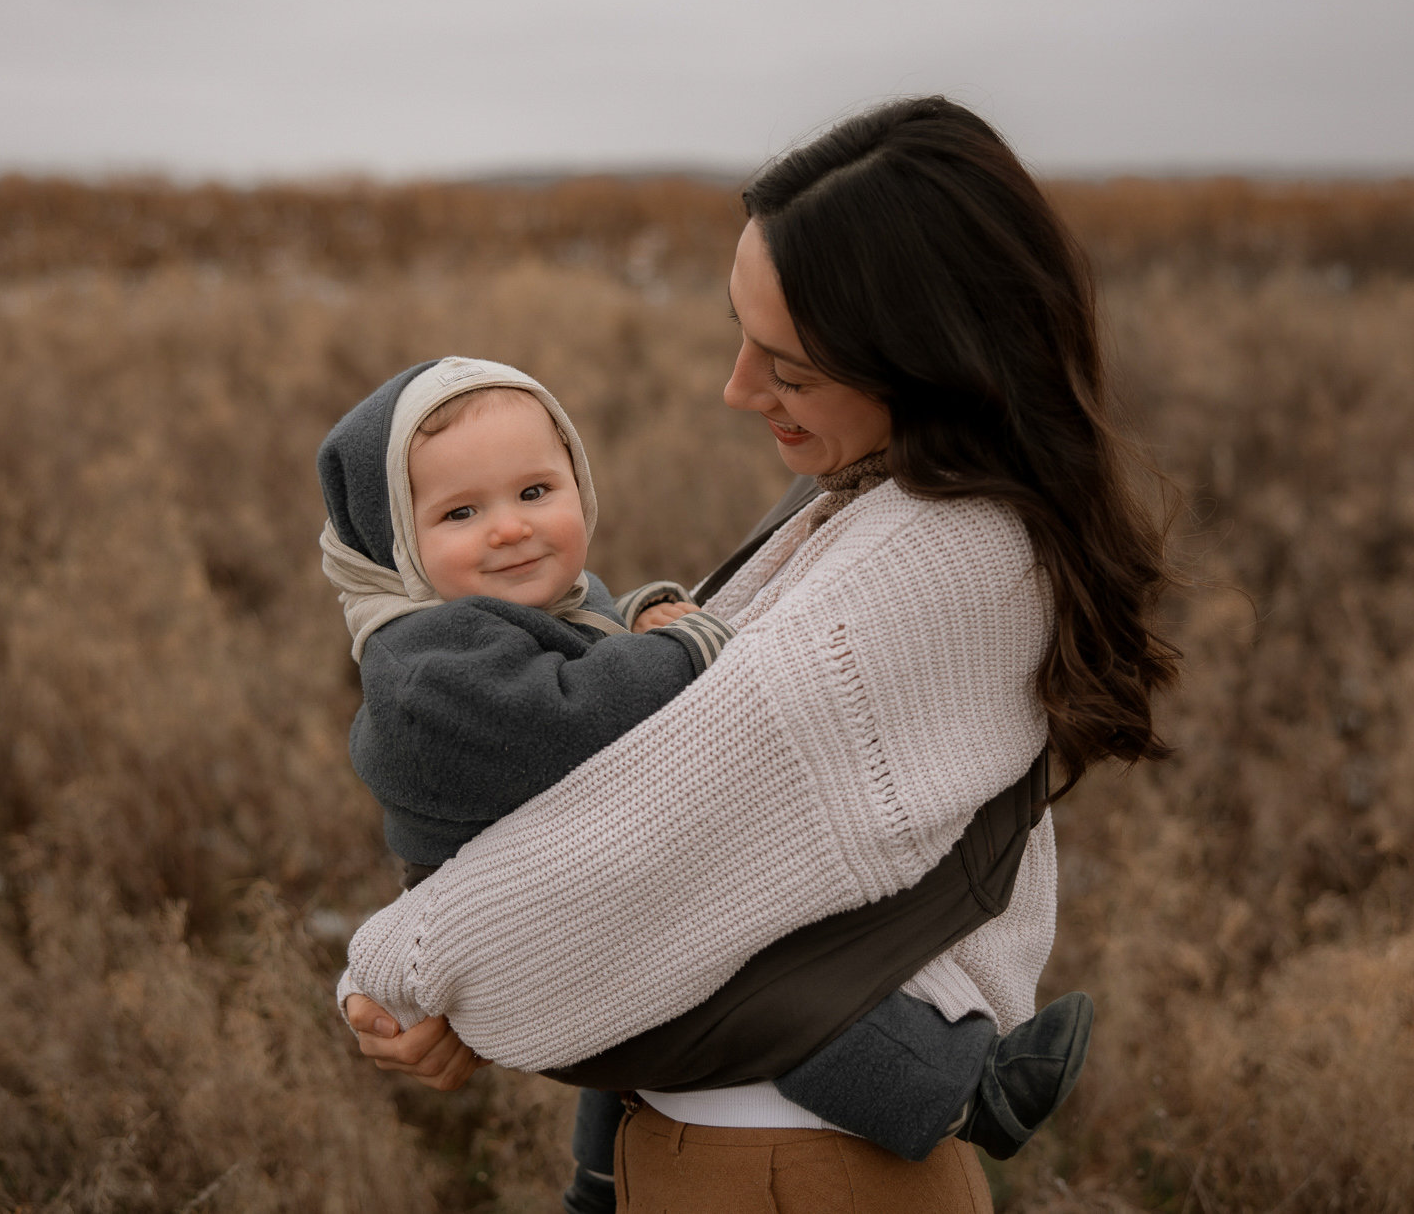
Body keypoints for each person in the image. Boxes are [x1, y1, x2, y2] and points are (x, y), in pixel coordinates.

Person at [340, 96, 1178, 1213]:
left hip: (789, 1169)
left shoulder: (939, 560)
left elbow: (628, 854)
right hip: (739, 1153)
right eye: (741, 336)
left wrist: (397, 970)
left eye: (786, 365)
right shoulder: (880, 497)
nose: (737, 389)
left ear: (927, 359)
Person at [316, 355, 1094, 1214]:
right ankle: (957, 1087)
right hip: (554, 930)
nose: (509, 529)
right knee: (775, 992)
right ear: (396, 547)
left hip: (595, 936)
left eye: (536, 491)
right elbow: (574, 718)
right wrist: (692, 648)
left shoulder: (522, 611)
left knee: (650, 1011)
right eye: (461, 512)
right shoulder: (428, 663)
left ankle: (597, 1181)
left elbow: (603, 651)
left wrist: (650, 619)